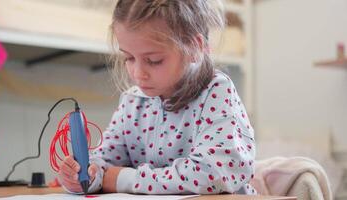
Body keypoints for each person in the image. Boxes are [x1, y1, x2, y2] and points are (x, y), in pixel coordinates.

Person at [58, 0, 256, 195]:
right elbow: (103, 162)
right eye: (129, 58)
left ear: (195, 47)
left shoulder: (216, 91)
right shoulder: (133, 101)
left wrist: (124, 180)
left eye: (154, 61)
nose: (138, 73)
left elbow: (213, 175)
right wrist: (85, 176)